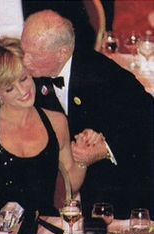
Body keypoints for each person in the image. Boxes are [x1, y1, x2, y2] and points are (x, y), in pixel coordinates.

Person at [21, 10, 154, 219]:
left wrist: (104, 149)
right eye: (24, 51)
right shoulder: (33, 75)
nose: (25, 61)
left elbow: (146, 119)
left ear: (62, 52)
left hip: (119, 185)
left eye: (34, 55)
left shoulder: (104, 76)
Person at [0, 37, 101, 216]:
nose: (23, 90)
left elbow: (68, 186)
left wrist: (82, 157)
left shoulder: (57, 121)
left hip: (44, 231)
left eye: (24, 78)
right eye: (10, 88)